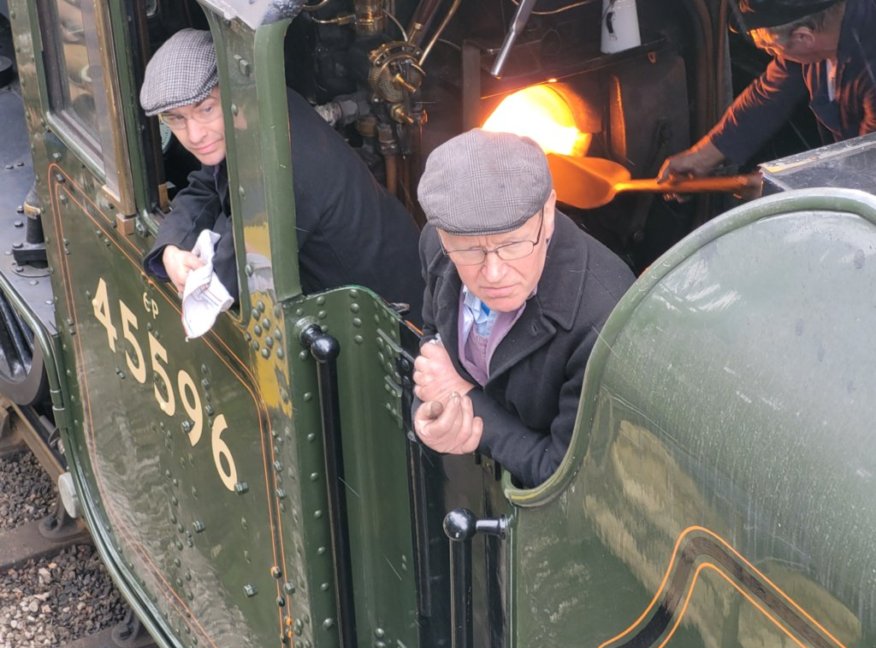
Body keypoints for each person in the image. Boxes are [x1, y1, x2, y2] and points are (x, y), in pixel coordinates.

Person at [139, 29, 424, 323]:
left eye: (206, 109)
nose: (195, 135)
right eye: (177, 119)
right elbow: (206, 183)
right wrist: (170, 249)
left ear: (234, 90)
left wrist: (185, 267)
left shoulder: (284, 169)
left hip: (391, 319)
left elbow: (228, 280)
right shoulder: (253, 111)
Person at [412, 130, 635, 488]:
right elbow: (433, 342)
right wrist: (433, 414)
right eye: (470, 251)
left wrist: (468, 403)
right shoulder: (438, 245)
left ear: (547, 213)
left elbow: (567, 476)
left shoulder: (605, 319)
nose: (494, 273)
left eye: (513, 244)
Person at [659, 0, 876, 180]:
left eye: (771, 48)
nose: (773, 55)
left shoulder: (870, 65)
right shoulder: (819, 33)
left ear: (803, 37)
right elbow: (767, 95)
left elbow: (867, 168)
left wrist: (784, 187)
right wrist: (700, 156)